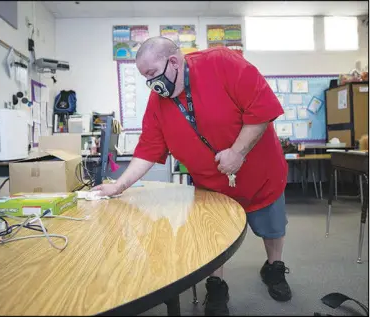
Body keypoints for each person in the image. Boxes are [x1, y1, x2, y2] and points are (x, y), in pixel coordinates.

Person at [93, 37, 290, 316]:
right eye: (144, 78)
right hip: (212, 186)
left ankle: (274, 268)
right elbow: (149, 148)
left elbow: (262, 108)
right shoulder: (158, 101)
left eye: (152, 74)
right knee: (213, 238)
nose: (151, 84)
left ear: (173, 61)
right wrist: (120, 184)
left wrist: (238, 152)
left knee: (272, 228)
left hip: (260, 173)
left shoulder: (222, 63)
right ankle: (216, 285)